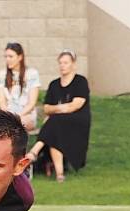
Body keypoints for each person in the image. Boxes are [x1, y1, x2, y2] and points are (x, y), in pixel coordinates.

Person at [25, 50, 91, 182]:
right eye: (60, 63)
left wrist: (57, 109)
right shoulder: (54, 84)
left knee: (54, 122)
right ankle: (60, 174)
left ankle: (33, 152)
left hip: (78, 121)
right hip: (58, 123)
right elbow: (46, 108)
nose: (62, 66)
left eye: (66, 63)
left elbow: (76, 105)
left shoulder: (80, 81)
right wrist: (62, 109)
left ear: (73, 64)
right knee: (55, 129)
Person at [0, 42, 40, 132]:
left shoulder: (32, 74)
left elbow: (31, 104)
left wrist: (17, 116)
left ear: (20, 57)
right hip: (8, 115)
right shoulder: (1, 75)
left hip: (26, 115)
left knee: (16, 125)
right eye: (6, 57)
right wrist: (9, 116)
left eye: (11, 56)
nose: (7, 59)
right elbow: (2, 103)